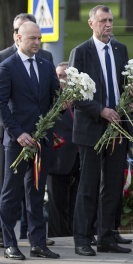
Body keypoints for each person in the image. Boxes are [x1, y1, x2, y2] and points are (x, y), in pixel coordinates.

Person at [68, 5, 133, 256]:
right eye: (103, 21)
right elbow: (76, 94)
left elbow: (121, 85)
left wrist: (130, 95)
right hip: (91, 129)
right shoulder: (81, 52)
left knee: (113, 185)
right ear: (91, 24)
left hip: (117, 128)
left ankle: (107, 235)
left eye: (110, 20)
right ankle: (83, 239)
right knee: (88, 185)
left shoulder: (120, 50)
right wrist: (101, 110)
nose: (108, 25)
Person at [0, 21, 61, 260]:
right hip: (17, 142)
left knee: (36, 191)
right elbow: (0, 105)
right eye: (31, 38)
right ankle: (9, 242)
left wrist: (63, 105)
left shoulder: (45, 64)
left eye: (39, 38)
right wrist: (18, 133)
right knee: (11, 192)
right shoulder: (6, 67)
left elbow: (55, 97)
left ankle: (38, 243)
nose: (36, 43)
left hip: (41, 140)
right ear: (17, 38)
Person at [46, 62, 80, 238]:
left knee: (76, 199)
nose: (61, 79)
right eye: (58, 76)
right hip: (58, 155)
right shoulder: (51, 97)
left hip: (78, 154)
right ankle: (58, 235)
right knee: (57, 202)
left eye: (65, 75)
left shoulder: (80, 96)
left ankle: (75, 232)